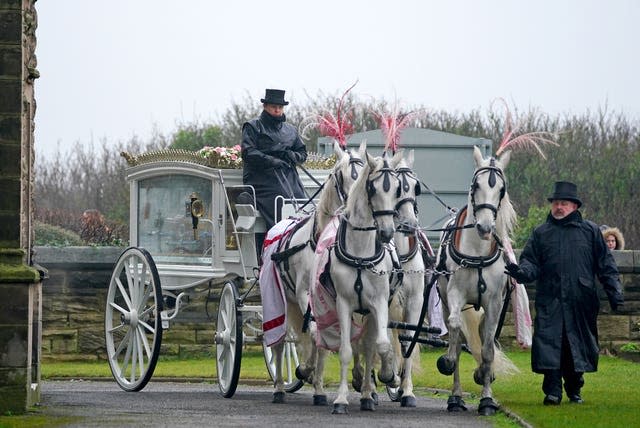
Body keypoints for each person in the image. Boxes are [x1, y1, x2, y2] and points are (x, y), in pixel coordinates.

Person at [505, 181, 624, 406]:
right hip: (550, 301)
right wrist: (521, 272)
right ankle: (552, 392)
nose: (559, 207)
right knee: (550, 346)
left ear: (574, 207)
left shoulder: (590, 232)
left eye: (564, 203)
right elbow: (531, 262)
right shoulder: (541, 233)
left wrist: (615, 293)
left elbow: (606, 265)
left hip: (581, 302)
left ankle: (574, 389)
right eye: (556, 203)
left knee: (575, 347)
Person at [241, 89, 307, 248]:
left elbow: (302, 153)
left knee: (301, 199)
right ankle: (278, 241)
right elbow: (248, 152)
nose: (277, 110)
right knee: (281, 197)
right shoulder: (253, 126)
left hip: (288, 176)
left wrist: (293, 156)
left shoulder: (290, 130)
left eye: (280, 107)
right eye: (273, 107)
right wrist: (271, 160)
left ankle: (301, 240)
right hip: (262, 178)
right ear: (265, 106)